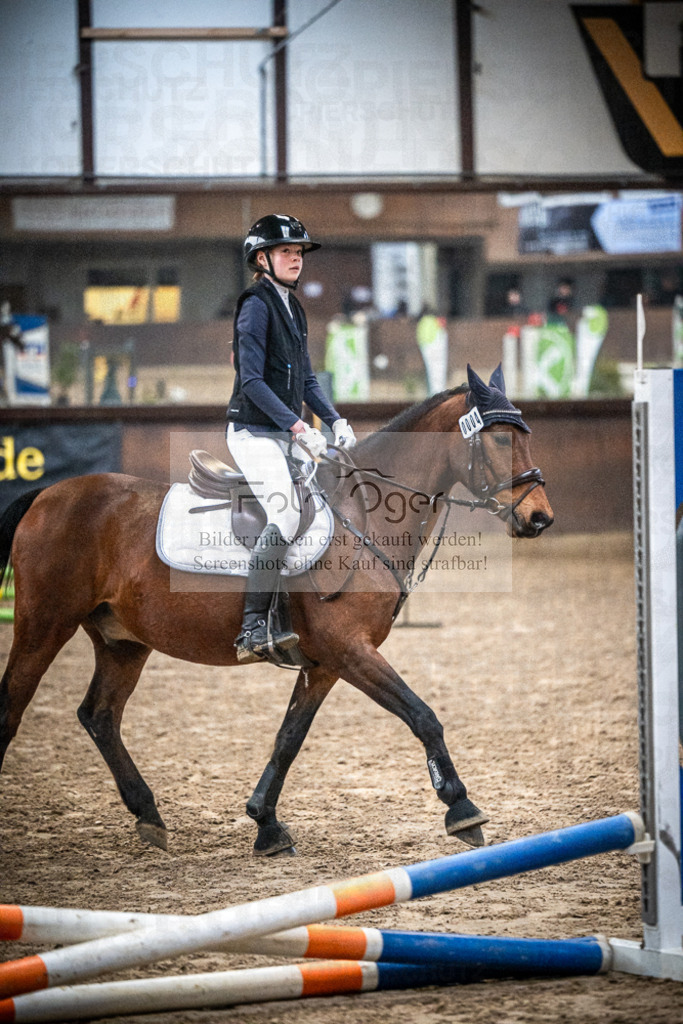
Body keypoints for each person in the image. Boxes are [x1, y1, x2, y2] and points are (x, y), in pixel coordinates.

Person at [227, 214, 357, 664]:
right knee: (284, 515)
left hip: (283, 433)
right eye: (287, 251)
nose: (297, 259)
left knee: (322, 506)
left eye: (299, 252)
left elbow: (306, 380)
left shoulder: (293, 307)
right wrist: (300, 428)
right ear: (262, 259)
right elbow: (252, 383)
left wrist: (335, 419)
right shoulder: (256, 305)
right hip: (253, 432)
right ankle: (251, 629)